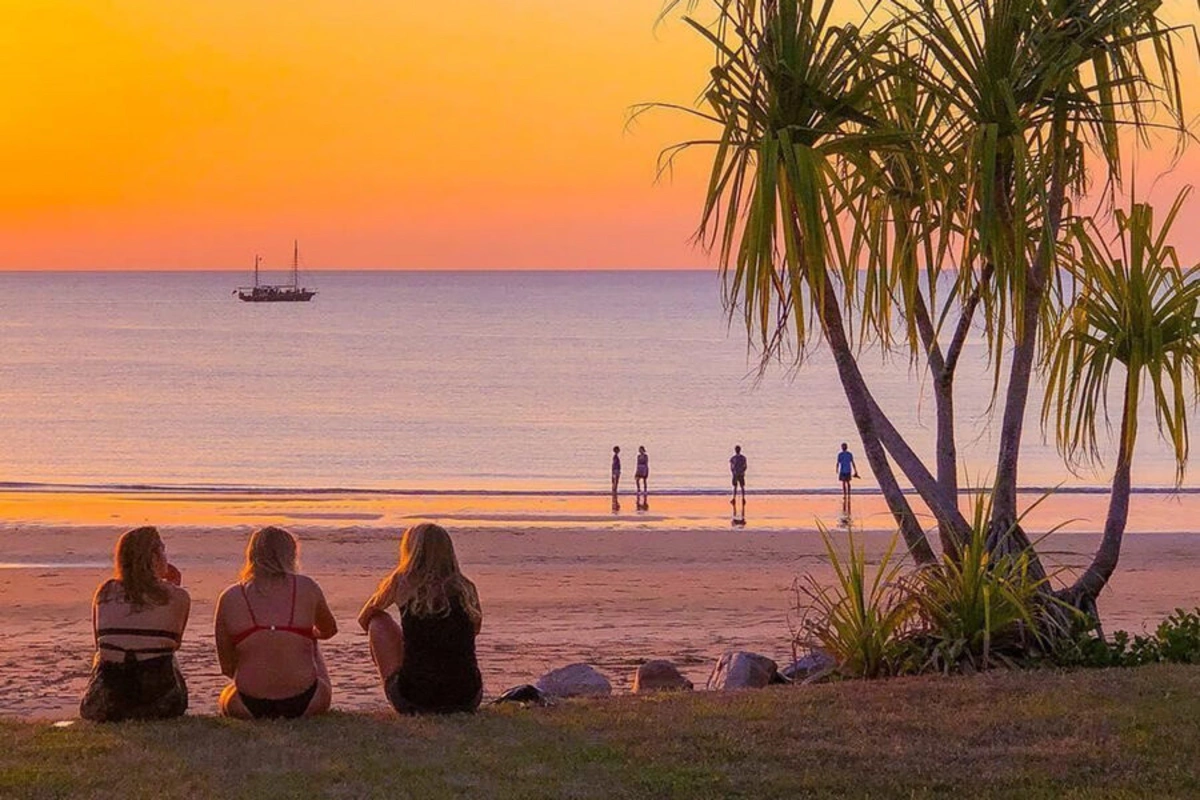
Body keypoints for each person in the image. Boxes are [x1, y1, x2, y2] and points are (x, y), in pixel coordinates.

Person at [358, 523, 483, 715]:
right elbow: (474, 630)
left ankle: (396, 688)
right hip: (467, 698)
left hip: (415, 699)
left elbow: (364, 618)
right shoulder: (466, 587)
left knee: (377, 621)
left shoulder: (402, 581)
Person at [214, 526, 337, 719]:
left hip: (246, 705)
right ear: (290, 555)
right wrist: (302, 636)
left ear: (252, 555)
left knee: (226, 694)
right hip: (308, 701)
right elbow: (329, 630)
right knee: (310, 638)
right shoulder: (307, 587)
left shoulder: (230, 596)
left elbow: (227, 666)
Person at [80, 526, 190, 722]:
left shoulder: (105, 592)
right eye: (163, 550)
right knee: (166, 652)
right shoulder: (178, 597)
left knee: (105, 653)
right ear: (154, 557)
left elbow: (99, 645)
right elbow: (175, 643)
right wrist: (173, 588)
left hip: (108, 700)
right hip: (161, 700)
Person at [837, 442, 860, 512]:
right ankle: (847, 494)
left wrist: (837, 469)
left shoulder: (842, 454)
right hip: (846, 470)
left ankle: (846, 495)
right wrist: (855, 470)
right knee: (846, 483)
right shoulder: (846, 454)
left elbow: (838, 463)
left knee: (845, 483)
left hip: (845, 470)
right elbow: (852, 462)